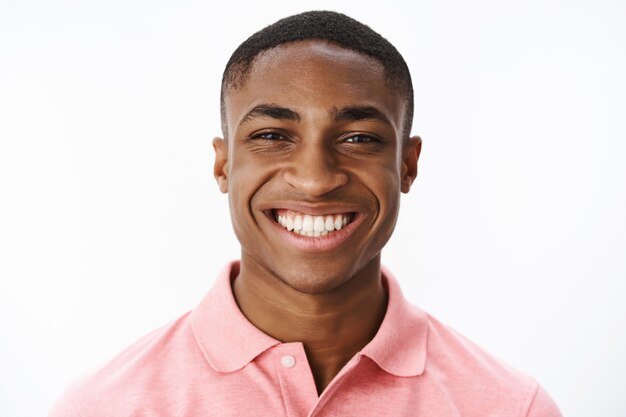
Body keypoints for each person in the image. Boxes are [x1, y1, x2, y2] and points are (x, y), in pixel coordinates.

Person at [50, 10, 562, 416]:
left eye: (359, 138)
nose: (316, 180)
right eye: (272, 136)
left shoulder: (513, 407)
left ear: (407, 165)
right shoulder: (104, 407)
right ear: (224, 164)